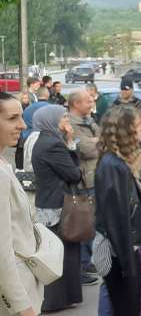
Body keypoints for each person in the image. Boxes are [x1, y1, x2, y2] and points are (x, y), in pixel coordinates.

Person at [95, 106, 141, 315]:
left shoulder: (116, 163)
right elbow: (117, 221)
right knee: (126, 308)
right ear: (126, 131)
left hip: (124, 251)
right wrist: (129, 268)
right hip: (120, 254)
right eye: (137, 125)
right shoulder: (113, 166)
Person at [31, 106, 87, 312]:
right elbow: (73, 174)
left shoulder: (45, 141)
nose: (67, 120)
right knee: (64, 252)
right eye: (63, 117)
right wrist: (71, 143)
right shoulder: (53, 144)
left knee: (61, 251)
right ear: (51, 120)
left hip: (50, 203)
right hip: (58, 205)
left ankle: (63, 298)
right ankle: (56, 300)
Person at [0, 91, 45, 316]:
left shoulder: (4, 164)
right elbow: (2, 251)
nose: (22, 125)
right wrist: (22, 306)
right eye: (12, 118)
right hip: (13, 298)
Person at [66, 91, 100, 279]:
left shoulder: (89, 120)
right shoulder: (70, 123)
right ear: (76, 104)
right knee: (84, 224)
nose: (92, 102)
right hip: (84, 181)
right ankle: (82, 265)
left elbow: (106, 140)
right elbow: (86, 150)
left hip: (95, 176)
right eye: (88, 101)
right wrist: (96, 142)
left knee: (92, 223)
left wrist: (96, 141)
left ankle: (86, 262)